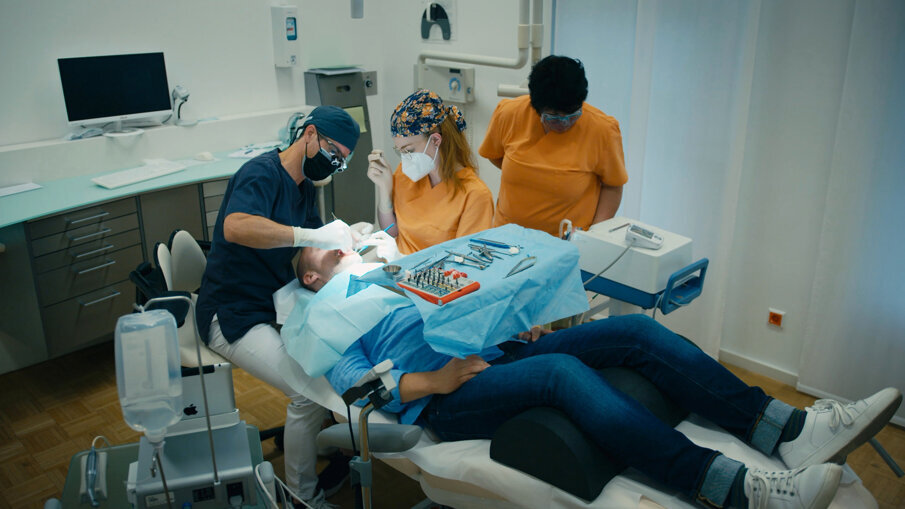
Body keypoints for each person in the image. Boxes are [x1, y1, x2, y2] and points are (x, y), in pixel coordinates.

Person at [294, 246, 902, 509]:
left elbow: (466, 303)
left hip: (498, 351)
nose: (340, 247)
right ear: (311, 278)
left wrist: (513, 321)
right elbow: (358, 389)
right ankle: (735, 490)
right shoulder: (326, 314)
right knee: (562, 371)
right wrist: (438, 381)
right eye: (326, 251)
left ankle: (786, 427)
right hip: (449, 397)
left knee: (635, 332)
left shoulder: (395, 274)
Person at [195, 105, 362, 508]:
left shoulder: (303, 185)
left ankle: (326, 449)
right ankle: (302, 498)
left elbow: (307, 252)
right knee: (307, 392)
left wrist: (348, 241)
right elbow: (236, 226)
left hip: (272, 300)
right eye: (332, 152)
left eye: (340, 161)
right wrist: (309, 235)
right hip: (230, 313)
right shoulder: (261, 173)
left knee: (328, 359)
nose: (333, 163)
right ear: (308, 134)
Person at [479, 55, 628, 237]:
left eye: (573, 115)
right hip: (507, 238)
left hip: (567, 243)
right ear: (536, 107)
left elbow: (613, 186)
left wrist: (596, 234)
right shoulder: (509, 114)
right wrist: (530, 177)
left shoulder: (603, 130)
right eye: (554, 117)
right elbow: (494, 154)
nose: (564, 123)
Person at [366, 89, 493, 255]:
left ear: (435, 140)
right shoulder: (407, 175)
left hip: (436, 278)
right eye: (400, 151)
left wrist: (404, 261)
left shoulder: (474, 195)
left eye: (409, 149)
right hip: (395, 270)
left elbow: (465, 264)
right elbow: (392, 232)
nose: (405, 158)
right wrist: (384, 189)